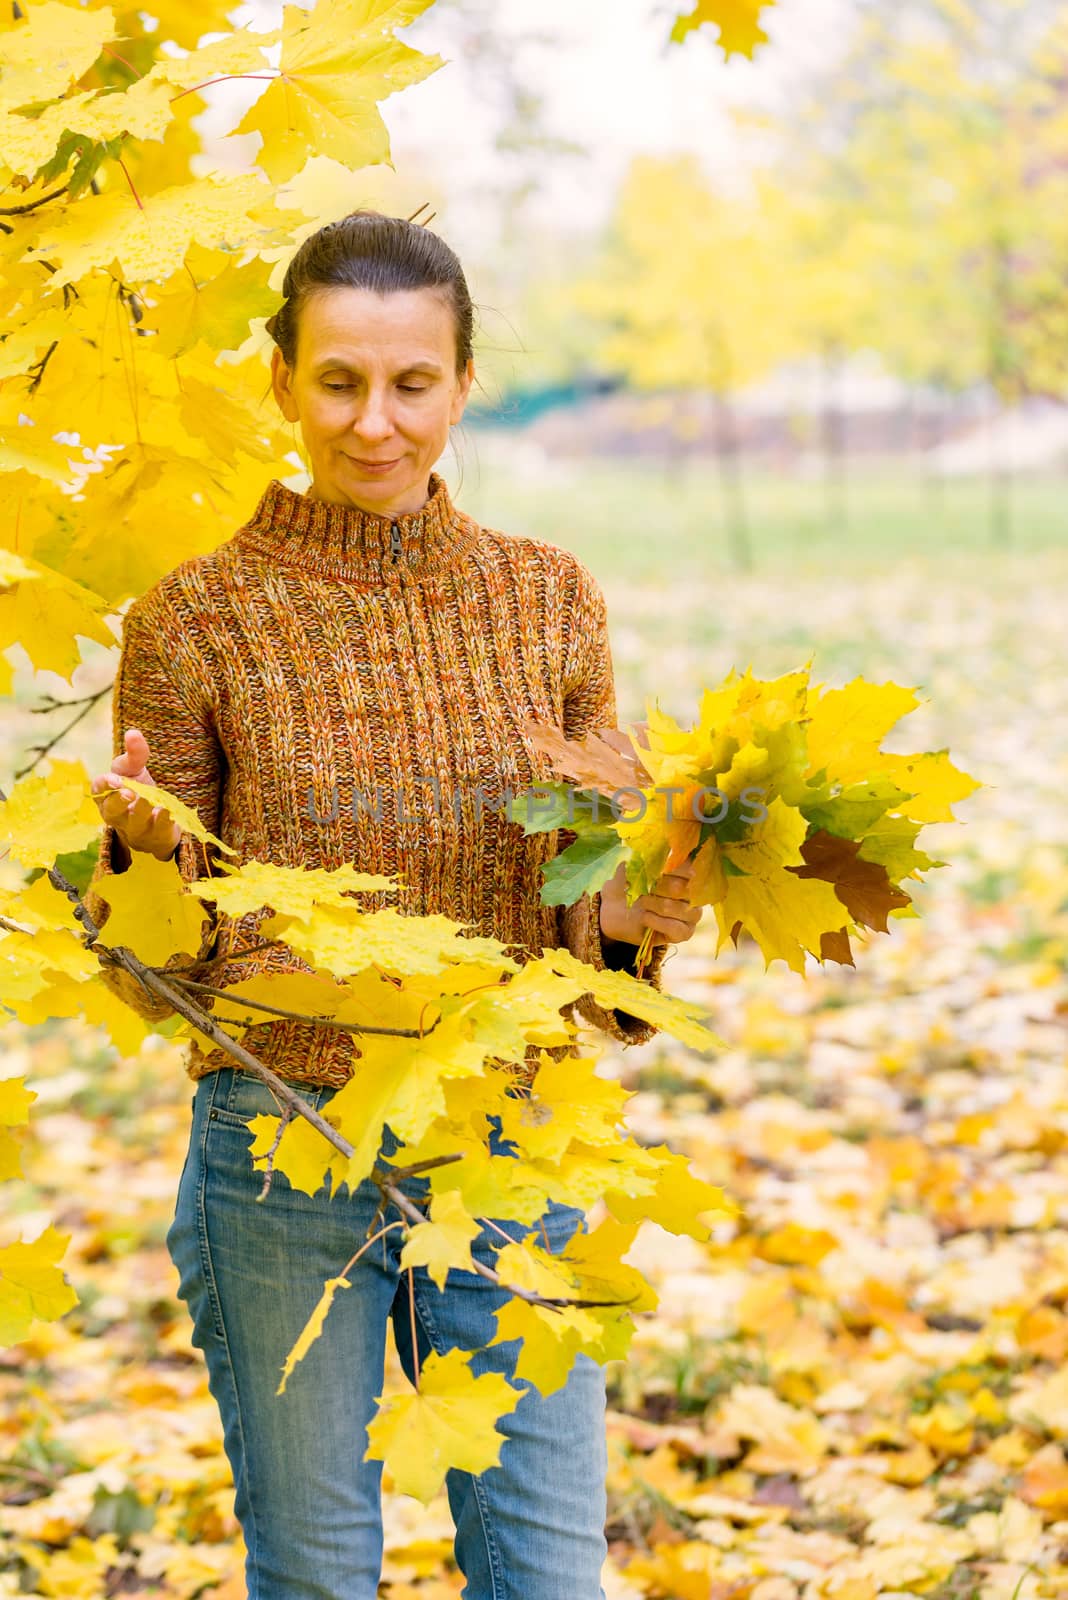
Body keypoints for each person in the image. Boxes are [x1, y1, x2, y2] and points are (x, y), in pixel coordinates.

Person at [87, 210, 702, 1600]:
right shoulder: (195, 620)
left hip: (514, 1146)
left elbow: (594, 958)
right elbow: (156, 981)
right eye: (340, 381)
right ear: (282, 383)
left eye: (413, 383)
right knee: (315, 1580)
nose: (376, 423)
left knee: (545, 1576)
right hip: (284, 1151)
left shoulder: (549, 603)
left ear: (465, 381)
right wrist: (137, 861)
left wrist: (646, 907)